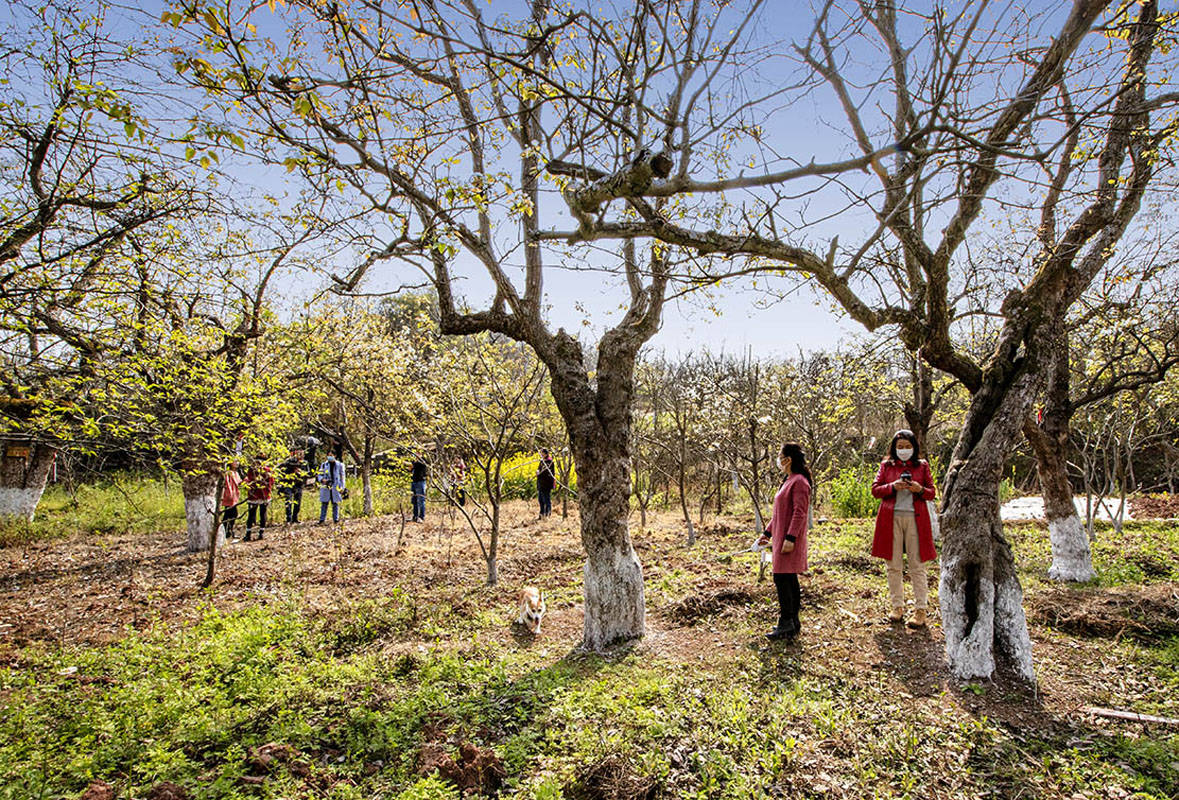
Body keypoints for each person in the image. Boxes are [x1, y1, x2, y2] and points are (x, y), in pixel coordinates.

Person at [870, 429, 938, 628]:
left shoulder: (922, 466)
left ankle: (920, 609)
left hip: (916, 519)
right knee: (893, 565)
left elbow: (931, 493)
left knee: (917, 565)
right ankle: (897, 606)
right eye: (900, 447)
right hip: (890, 518)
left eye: (908, 447)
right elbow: (875, 490)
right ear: (894, 448)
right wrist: (893, 486)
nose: (904, 450)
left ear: (914, 447)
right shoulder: (886, 465)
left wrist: (919, 489)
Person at [757, 442, 813, 641]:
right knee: (788, 579)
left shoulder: (799, 482)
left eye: (780, 456)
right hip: (781, 537)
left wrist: (791, 538)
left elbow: (800, 513)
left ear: (788, 459)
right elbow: (778, 514)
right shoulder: (788, 480)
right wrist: (767, 533)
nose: (778, 460)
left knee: (782, 579)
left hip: (789, 540)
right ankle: (792, 622)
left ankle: (787, 622)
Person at [244, 460, 274, 541]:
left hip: (262, 495)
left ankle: (261, 532)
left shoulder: (267, 471)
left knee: (262, 513)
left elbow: (271, 481)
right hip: (254, 495)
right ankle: (248, 533)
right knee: (252, 514)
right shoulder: (252, 471)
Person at [318, 452, 346, 525]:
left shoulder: (340, 465)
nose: (330, 457)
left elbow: (342, 477)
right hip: (326, 486)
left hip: (336, 486)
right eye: (328, 455)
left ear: (335, 455)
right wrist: (322, 480)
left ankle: (336, 519)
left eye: (331, 455)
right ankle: (322, 520)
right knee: (324, 503)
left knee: (335, 503)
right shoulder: (324, 465)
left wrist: (342, 487)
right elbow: (320, 475)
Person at [278, 449, 305, 524]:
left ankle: (295, 517)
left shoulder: (304, 463)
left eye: (301, 454)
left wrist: (300, 473)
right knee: (288, 501)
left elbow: (307, 474)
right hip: (289, 483)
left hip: (298, 484)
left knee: (297, 502)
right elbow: (283, 467)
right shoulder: (289, 461)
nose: (300, 456)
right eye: (299, 454)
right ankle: (288, 518)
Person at [221, 464, 242, 540]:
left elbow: (239, 482)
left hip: (234, 496)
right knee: (231, 514)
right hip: (230, 496)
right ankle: (225, 531)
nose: (237, 463)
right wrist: (229, 494)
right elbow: (227, 484)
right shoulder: (228, 473)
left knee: (230, 514)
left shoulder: (236, 473)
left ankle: (228, 531)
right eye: (235, 462)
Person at [536, 448, 555, 518]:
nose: (541, 454)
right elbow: (539, 469)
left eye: (542, 453)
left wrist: (539, 473)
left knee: (546, 500)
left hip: (546, 484)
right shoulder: (542, 461)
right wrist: (537, 471)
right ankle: (541, 514)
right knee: (540, 500)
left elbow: (548, 472)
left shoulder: (550, 462)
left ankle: (547, 514)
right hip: (540, 483)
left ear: (546, 454)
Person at [410, 456, 428, 522]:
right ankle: (415, 516)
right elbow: (411, 468)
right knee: (414, 500)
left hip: (420, 482)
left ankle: (421, 517)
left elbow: (417, 465)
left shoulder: (422, 460)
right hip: (414, 482)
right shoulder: (414, 460)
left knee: (421, 500)